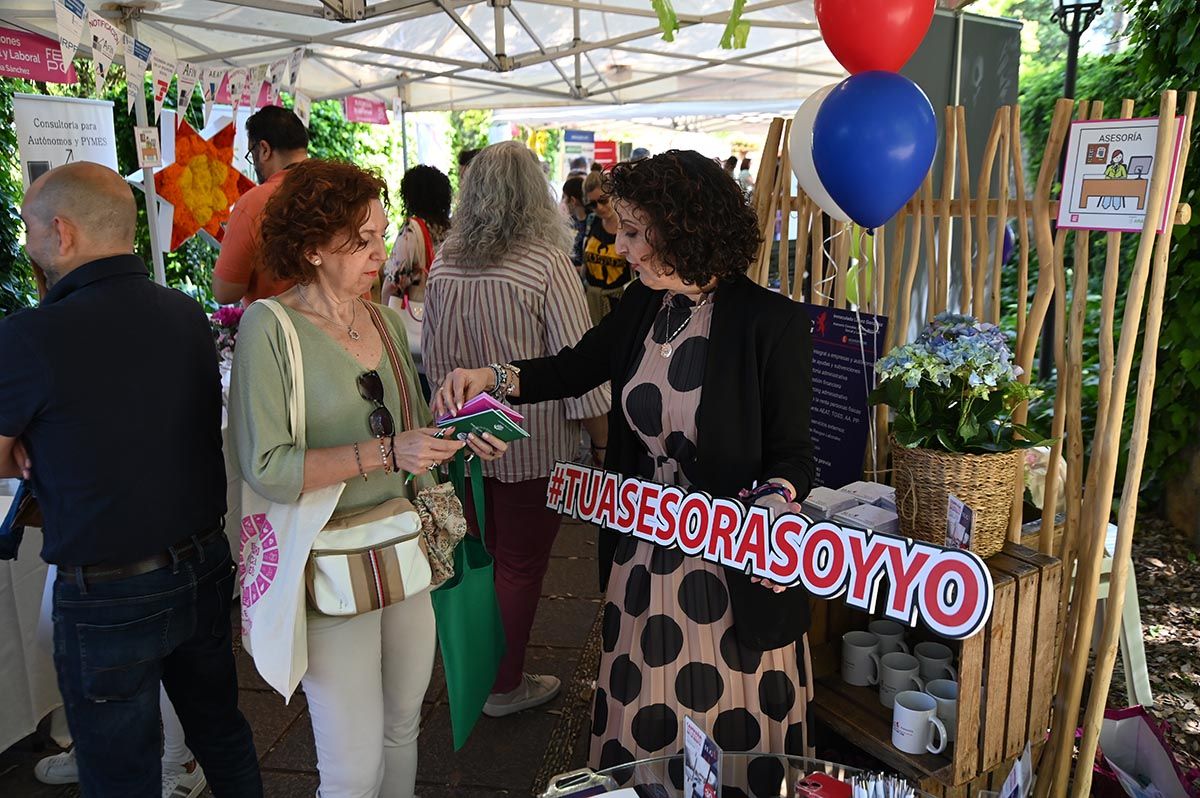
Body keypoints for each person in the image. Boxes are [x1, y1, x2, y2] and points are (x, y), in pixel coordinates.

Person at [433, 150, 816, 796]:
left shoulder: (771, 324)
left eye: (634, 232)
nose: (619, 245)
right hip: (645, 564)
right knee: (647, 725)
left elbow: (795, 456)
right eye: (621, 227)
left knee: (730, 742)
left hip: (734, 575)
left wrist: (776, 506)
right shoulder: (645, 304)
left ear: (684, 229)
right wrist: (492, 379)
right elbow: (572, 368)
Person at [229, 159, 506, 798]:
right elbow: (267, 468)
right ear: (313, 246)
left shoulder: (378, 317)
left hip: (404, 549)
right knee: (351, 770)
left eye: (381, 236)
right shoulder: (270, 327)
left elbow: (411, 432)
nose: (382, 253)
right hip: (327, 562)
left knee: (403, 726)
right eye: (364, 240)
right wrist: (389, 452)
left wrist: (459, 433)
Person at [0, 162, 262, 797]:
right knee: (221, 734)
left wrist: (33, 443)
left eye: (30, 229)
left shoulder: (31, 334)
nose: (28, 244)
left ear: (60, 232)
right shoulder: (183, 313)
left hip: (109, 593)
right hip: (200, 567)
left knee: (120, 773)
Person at [424, 141, 610, 717]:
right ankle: (504, 685)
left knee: (480, 556)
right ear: (534, 193)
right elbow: (582, 367)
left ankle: (479, 673)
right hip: (535, 442)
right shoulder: (546, 262)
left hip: (462, 442)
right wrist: (603, 444)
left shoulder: (444, 259)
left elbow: (430, 359)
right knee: (522, 564)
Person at [213, 105, 309, 305]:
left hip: (279, 331)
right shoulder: (339, 189)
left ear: (264, 149)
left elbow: (225, 292)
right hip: (344, 328)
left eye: (251, 153)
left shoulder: (255, 202)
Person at [381, 164, 452, 394]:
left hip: (414, 318)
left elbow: (395, 279)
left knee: (415, 387)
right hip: (442, 317)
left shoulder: (413, 229)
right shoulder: (450, 228)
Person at [576, 170, 632, 325]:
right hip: (591, 301)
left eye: (603, 200)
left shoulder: (628, 226)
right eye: (593, 204)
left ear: (613, 195)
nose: (599, 207)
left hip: (621, 302)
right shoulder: (590, 222)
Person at [562, 175, 589, 269]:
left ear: (573, 200)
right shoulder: (570, 221)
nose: (563, 202)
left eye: (564, 197)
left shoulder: (592, 221)